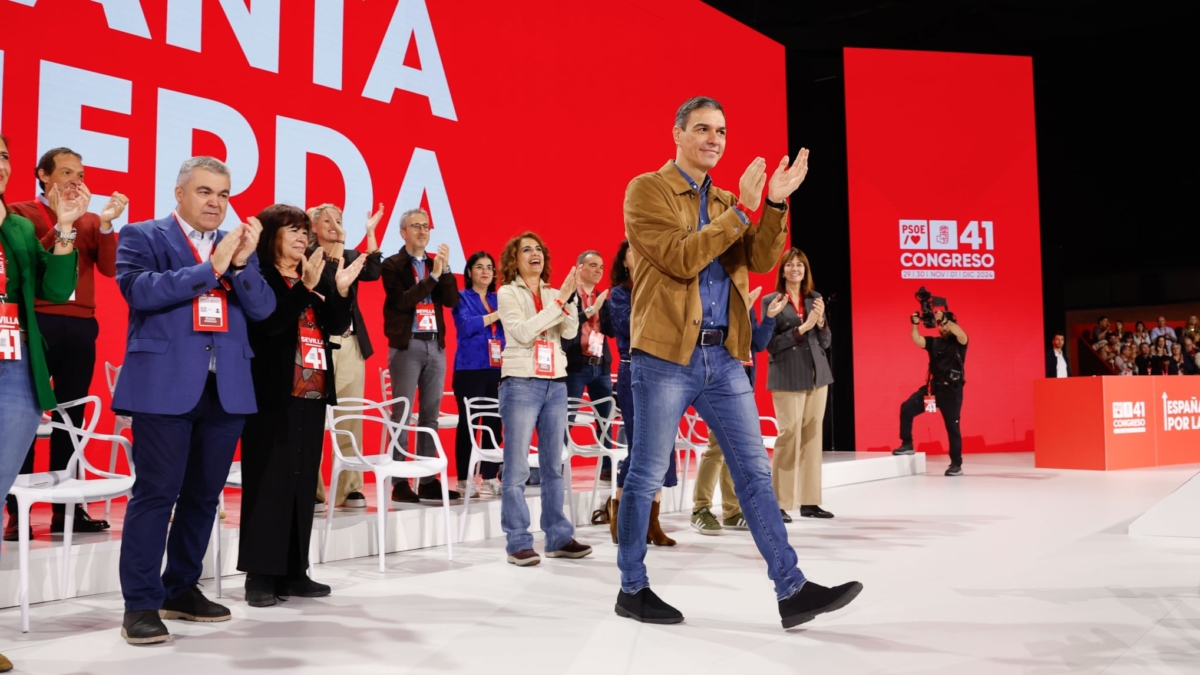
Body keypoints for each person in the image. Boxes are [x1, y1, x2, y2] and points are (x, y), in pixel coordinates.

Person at [617, 96, 861, 629]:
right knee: (647, 475)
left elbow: (761, 258)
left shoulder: (730, 198)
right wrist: (745, 211)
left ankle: (792, 589)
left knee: (753, 473)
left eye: (722, 131)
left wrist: (773, 205)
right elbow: (681, 255)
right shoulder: (647, 190)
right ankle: (632, 588)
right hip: (663, 356)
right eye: (702, 128)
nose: (714, 138)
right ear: (677, 132)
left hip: (724, 356)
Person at [112, 156, 275, 644]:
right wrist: (212, 267)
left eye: (223, 194)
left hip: (226, 387)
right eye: (205, 192)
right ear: (180, 193)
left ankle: (180, 588)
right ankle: (140, 604)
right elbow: (139, 291)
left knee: (204, 496)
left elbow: (263, 308)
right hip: (164, 385)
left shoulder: (241, 248)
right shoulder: (143, 235)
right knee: (156, 495)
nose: (215, 203)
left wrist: (242, 264)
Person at [238, 205, 361, 607]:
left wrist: (340, 290)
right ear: (271, 235)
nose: (302, 237)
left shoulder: (312, 274)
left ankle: (295, 571)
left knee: (302, 484)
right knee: (268, 484)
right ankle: (260, 575)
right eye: (293, 230)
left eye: (305, 231)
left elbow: (334, 325)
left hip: (312, 392)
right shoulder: (259, 276)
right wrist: (305, 289)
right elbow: (271, 325)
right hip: (272, 395)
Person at [4, 147, 125, 540]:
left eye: (81, 173)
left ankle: (65, 509)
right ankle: (15, 510)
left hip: (79, 325)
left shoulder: (90, 219)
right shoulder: (18, 213)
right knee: (21, 419)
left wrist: (106, 226)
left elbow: (108, 268)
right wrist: (63, 224)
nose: (77, 180)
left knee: (70, 418)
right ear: (43, 174)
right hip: (34, 324)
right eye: (67, 171)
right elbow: (33, 263)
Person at [0, 132, 80, 672]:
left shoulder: (20, 227)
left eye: (3, 156)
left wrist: (67, 230)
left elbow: (53, 288)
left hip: (14, 368)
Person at [495, 232, 592, 566]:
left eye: (538, 249)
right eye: (526, 249)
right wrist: (559, 303)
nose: (534, 253)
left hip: (556, 383)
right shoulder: (507, 292)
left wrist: (564, 301)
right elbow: (521, 333)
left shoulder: (556, 292)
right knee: (518, 466)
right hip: (521, 382)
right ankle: (518, 541)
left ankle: (558, 536)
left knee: (554, 464)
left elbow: (567, 334)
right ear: (515, 260)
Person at [381, 208, 461, 503]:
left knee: (430, 416)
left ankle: (427, 479)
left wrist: (447, 271)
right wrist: (432, 278)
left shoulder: (435, 264)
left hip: (435, 345)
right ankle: (400, 482)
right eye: (416, 226)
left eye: (426, 226)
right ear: (403, 232)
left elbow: (451, 301)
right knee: (402, 413)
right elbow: (403, 301)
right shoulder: (393, 265)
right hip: (408, 345)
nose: (423, 231)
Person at [308, 202, 384, 511]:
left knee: (350, 416)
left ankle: (350, 488)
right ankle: (311, 490)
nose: (334, 224)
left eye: (339, 220)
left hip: (352, 344)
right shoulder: (309, 256)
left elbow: (375, 270)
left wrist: (370, 233)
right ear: (313, 226)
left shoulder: (350, 255)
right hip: (317, 344)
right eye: (327, 220)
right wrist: (339, 244)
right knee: (311, 419)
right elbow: (328, 285)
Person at [690, 287, 779, 533]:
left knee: (736, 448)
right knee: (717, 447)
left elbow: (758, 344)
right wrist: (737, 314)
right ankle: (701, 508)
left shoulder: (744, 302)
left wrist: (769, 317)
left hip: (743, 384)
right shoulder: (714, 302)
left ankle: (731, 510)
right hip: (717, 384)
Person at [607, 240, 677, 546]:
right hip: (632, 369)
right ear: (624, 260)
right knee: (639, 448)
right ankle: (620, 518)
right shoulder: (620, 294)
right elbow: (629, 326)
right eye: (632, 249)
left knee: (662, 448)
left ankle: (653, 522)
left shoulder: (662, 285)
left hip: (664, 372)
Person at [765, 248, 834, 520]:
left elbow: (826, 342)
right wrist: (801, 330)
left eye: (800, 266)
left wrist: (821, 323)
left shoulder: (814, 299)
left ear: (806, 271)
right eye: (790, 265)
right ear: (782, 270)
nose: (795, 269)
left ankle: (809, 502)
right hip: (787, 375)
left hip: (818, 375)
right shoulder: (772, 301)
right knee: (789, 435)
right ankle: (779, 502)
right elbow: (770, 344)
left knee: (812, 437)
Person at [451, 251, 505, 497]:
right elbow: (466, 326)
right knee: (468, 424)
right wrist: (496, 316)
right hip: (469, 368)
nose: (485, 271)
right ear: (469, 272)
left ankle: (491, 476)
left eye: (490, 267)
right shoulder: (461, 297)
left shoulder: (500, 298)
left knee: (494, 423)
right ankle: (464, 479)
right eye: (479, 267)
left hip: (498, 368)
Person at [561, 250, 616, 485]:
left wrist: (610, 310)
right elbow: (568, 328)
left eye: (601, 267)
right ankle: (558, 465)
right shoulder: (569, 296)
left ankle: (607, 466)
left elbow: (611, 332)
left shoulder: (603, 299)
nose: (598, 270)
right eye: (593, 265)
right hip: (576, 365)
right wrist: (592, 310)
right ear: (579, 267)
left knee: (605, 418)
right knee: (566, 418)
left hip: (599, 365)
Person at [893, 309, 969, 476]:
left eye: (945, 324)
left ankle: (956, 464)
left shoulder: (960, 343)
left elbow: (961, 334)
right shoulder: (934, 343)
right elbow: (917, 340)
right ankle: (907, 443)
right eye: (940, 325)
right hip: (933, 390)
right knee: (907, 408)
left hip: (952, 392)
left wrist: (945, 320)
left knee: (953, 428)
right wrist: (914, 325)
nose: (942, 327)